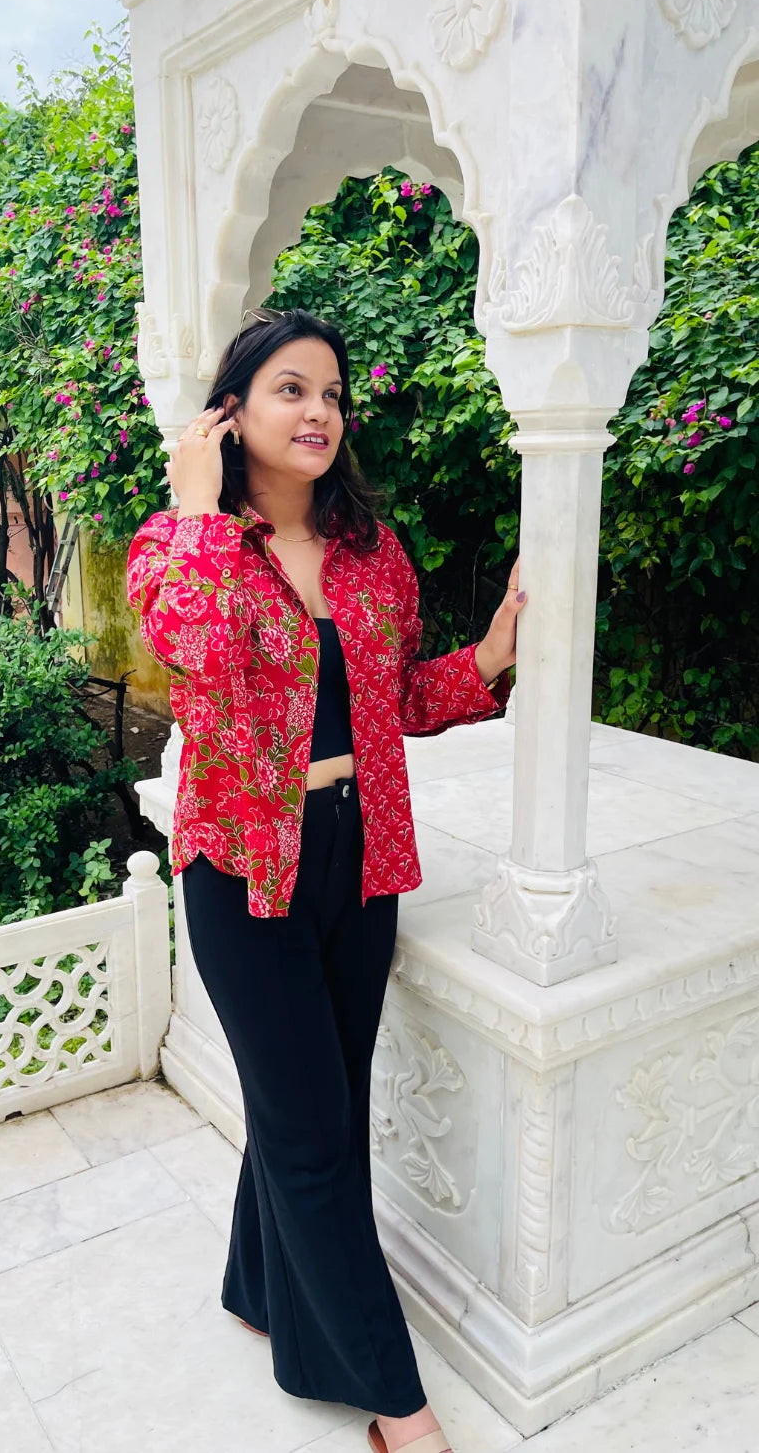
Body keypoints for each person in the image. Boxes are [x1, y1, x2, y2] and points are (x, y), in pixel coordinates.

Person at [127, 307, 525, 1453]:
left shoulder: (368, 553)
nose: (317, 413)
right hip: (243, 873)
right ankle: (398, 1409)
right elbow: (190, 648)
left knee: (320, 1115)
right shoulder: (177, 544)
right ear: (232, 411)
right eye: (289, 390)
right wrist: (196, 500)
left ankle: (262, 1294)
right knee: (308, 1138)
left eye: (331, 395)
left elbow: (392, 699)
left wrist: (488, 657)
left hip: (362, 859)